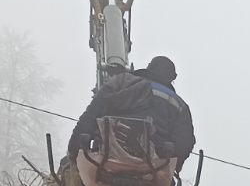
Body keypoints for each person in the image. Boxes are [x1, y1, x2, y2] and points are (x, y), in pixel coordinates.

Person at [67, 55, 195, 168]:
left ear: (148, 69)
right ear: (172, 78)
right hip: (152, 171)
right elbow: (184, 142)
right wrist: (173, 167)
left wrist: (74, 151)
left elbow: (90, 116)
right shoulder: (179, 105)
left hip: (104, 163)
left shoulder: (121, 82)